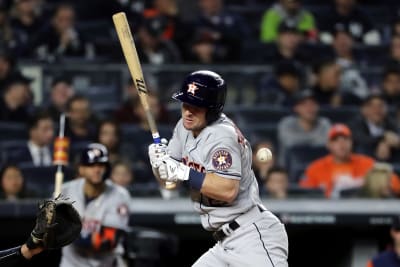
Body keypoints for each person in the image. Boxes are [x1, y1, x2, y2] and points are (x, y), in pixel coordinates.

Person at [148, 70, 288, 266]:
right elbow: (169, 183)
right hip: (225, 242)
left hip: (252, 236)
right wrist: (158, 165)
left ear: (212, 109)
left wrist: (182, 171)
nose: (188, 111)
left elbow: (228, 190)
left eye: (196, 106)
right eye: (185, 103)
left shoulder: (222, 136)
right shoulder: (183, 127)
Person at [60, 143, 131, 267]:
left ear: (108, 168)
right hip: (71, 263)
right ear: (81, 169)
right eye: (91, 165)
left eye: (101, 165)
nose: (97, 170)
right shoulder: (65, 191)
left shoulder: (120, 195)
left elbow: (108, 241)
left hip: (106, 264)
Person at [299, 123, 400, 198]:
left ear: (352, 142)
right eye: (336, 140)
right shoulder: (315, 168)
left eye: (345, 139)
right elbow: (303, 195)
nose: (341, 144)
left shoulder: (367, 163)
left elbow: (394, 184)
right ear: (328, 145)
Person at [277, 90, 331, 166]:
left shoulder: (324, 123)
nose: (309, 108)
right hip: (289, 170)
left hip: (320, 170)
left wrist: (302, 142)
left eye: (313, 104)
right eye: (304, 104)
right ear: (296, 108)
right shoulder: (286, 124)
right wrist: (314, 140)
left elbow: (328, 143)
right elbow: (290, 142)